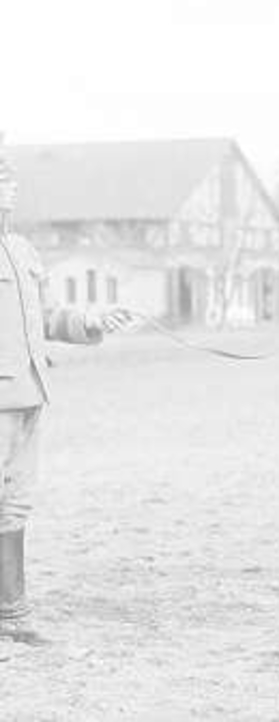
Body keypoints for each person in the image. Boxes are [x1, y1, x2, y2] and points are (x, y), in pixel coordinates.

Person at [0, 138, 133, 645]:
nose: (9, 184)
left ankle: (12, 617)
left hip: (30, 395)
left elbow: (49, 316)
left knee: (14, 507)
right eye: (0, 177)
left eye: (9, 176)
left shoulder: (23, 251)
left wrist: (92, 320)